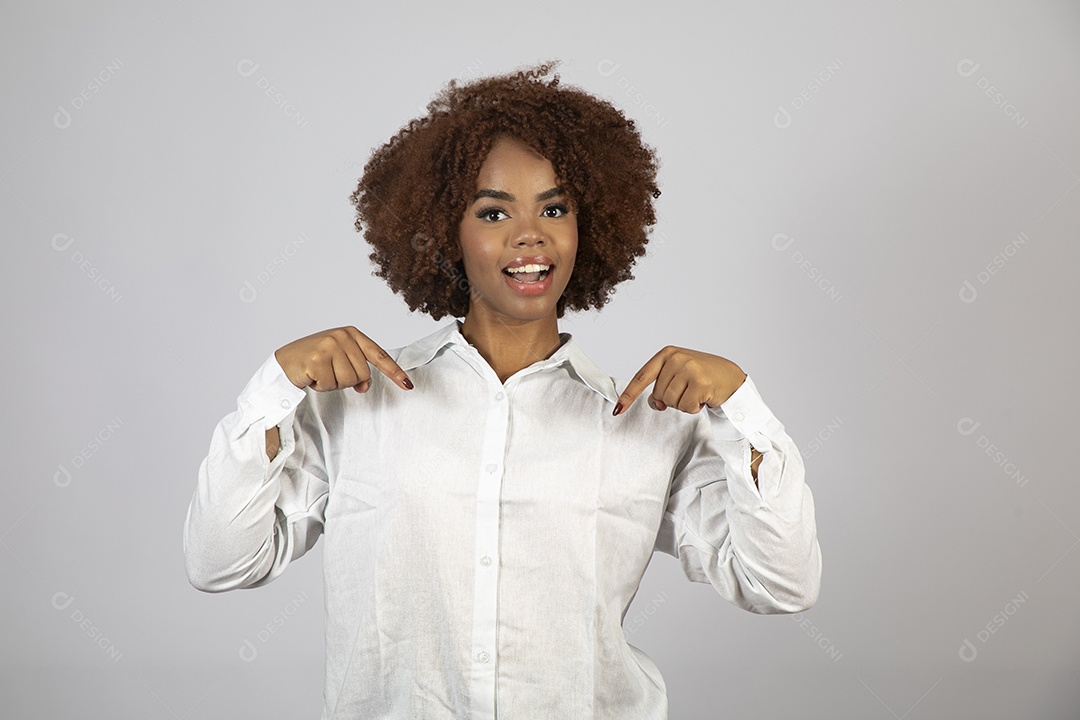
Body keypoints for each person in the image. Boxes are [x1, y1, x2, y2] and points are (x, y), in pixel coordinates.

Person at [184, 60, 821, 719]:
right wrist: (273, 390)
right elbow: (220, 563)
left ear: (590, 228)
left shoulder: (648, 420)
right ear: (446, 233)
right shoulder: (354, 402)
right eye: (493, 212)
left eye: (555, 207)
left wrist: (744, 407)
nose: (530, 234)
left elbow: (779, 586)